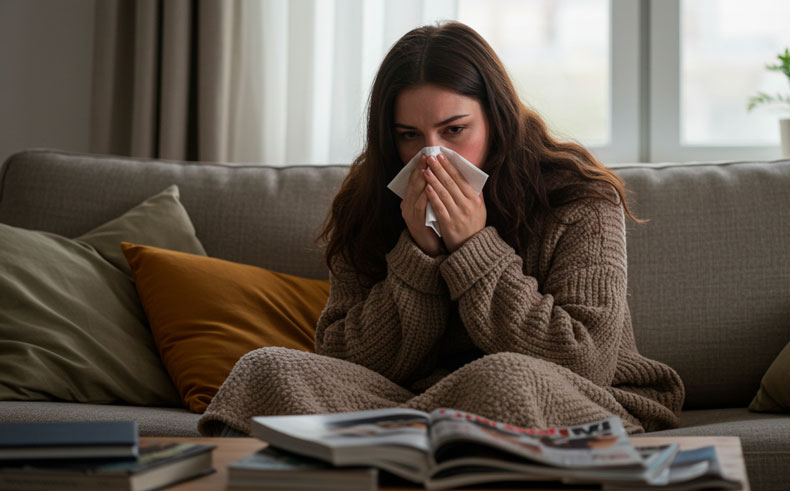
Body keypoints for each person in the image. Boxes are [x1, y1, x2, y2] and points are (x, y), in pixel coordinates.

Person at [198, 21, 684, 437]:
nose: (431, 157)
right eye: (409, 136)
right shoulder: (367, 198)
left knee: (500, 378)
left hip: (576, 396)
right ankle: (425, 433)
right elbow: (343, 357)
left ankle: (396, 436)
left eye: (454, 131)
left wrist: (473, 249)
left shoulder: (579, 196)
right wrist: (418, 257)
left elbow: (587, 361)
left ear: (496, 119)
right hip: (411, 396)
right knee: (265, 368)